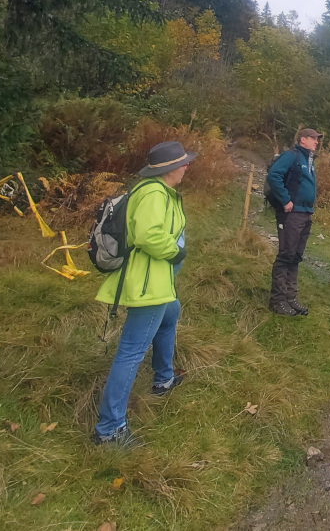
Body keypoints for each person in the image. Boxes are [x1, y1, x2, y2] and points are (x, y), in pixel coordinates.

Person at [92, 141, 195, 445]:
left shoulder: (157, 190)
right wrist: (175, 253)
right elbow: (148, 234)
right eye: (183, 162)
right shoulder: (152, 192)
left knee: (171, 314)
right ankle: (109, 429)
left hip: (157, 278)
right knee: (131, 352)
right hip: (149, 282)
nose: (187, 166)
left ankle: (163, 380)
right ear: (167, 169)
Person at [265, 128, 321, 316]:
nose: (316, 142)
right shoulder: (292, 156)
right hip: (292, 213)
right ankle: (277, 301)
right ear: (302, 139)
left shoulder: (309, 160)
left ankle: (291, 297)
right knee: (286, 255)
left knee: (296, 256)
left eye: (317, 139)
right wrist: (285, 200)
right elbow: (274, 176)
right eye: (313, 138)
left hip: (305, 213)